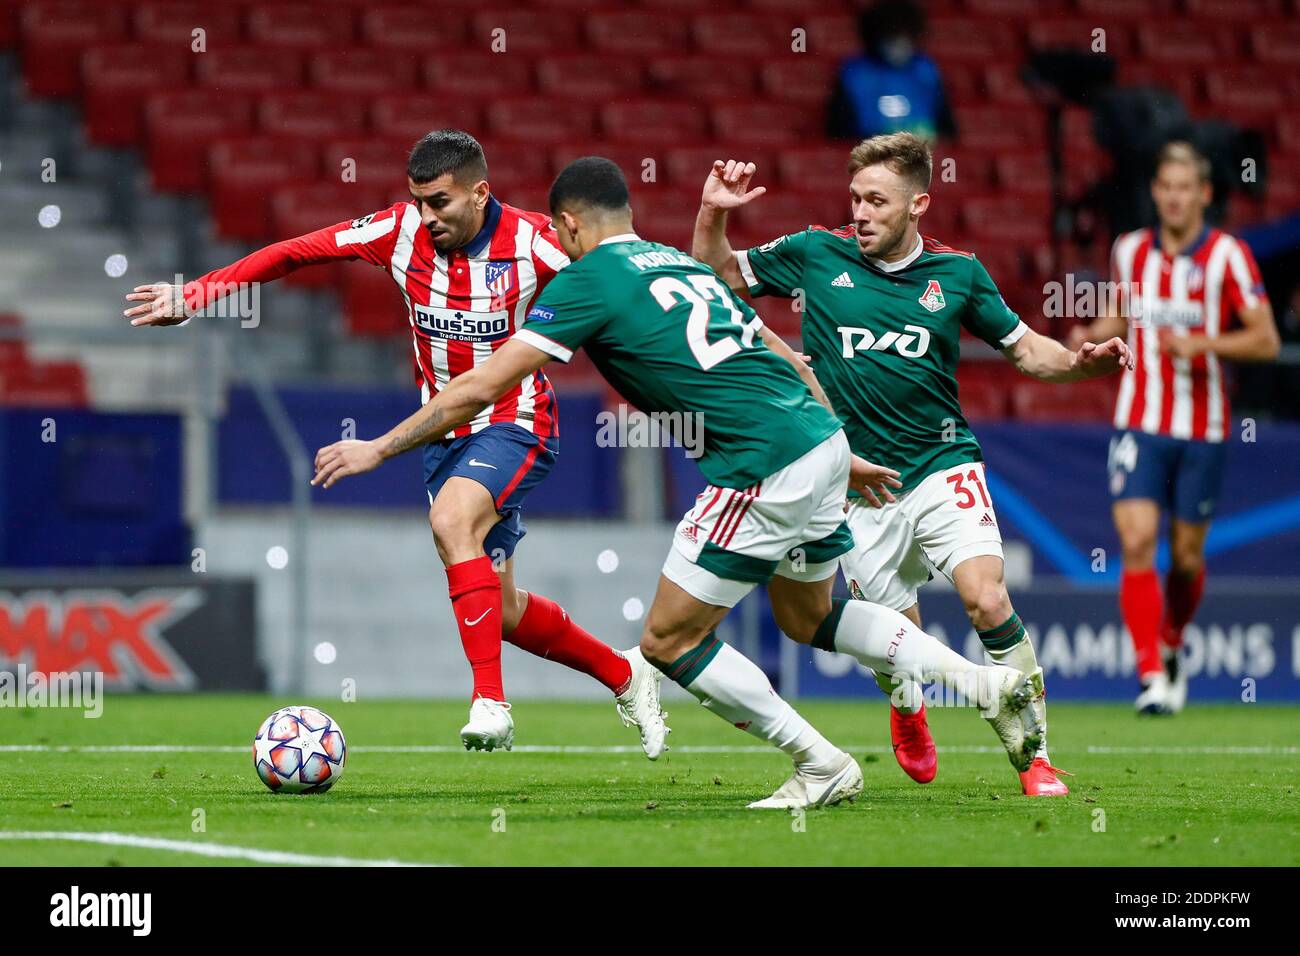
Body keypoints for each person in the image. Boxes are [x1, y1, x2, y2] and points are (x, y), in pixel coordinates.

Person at [309, 156, 1049, 808]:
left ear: (567, 227)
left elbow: (479, 389)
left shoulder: (589, 280)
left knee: (666, 642)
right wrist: (838, 452)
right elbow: (788, 357)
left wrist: (379, 448)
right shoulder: (678, 262)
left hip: (760, 464)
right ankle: (979, 682)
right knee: (808, 617)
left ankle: (819, 764)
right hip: (821, 439)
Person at [123, 130, 666, 756]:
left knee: (451, 518)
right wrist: (195, 295)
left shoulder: (534, 242)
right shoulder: (397, 231)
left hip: (515, 419)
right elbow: (295, 252)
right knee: (505, 611)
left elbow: (627, 277)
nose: (425, 216)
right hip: (443, 434)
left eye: (439, 202)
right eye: (417, 201)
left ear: (480, 192)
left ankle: (491, 703)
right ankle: (628, 676)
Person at [691, 133, 1132, 796]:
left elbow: (1026, 352)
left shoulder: (959, 275)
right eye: (855, 198)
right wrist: (713, 213)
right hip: (855, 485)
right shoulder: (817, 252)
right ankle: (906, 708)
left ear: (919, 203)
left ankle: (1034, 754)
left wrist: (1077, 364)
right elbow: (717, 275)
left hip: (939, 463)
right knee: (896, 636)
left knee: (988, 598)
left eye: (877, 200)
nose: (861, 212)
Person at [1067, 140, 1279, 715]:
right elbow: (1121, 315)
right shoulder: (1130, 250)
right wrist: (1087, 338)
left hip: (1203, 428)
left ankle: (1173, 640)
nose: (1176, 198)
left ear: (1204, 194)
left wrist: (1204, 341)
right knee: (1137, 541)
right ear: (1156, 192)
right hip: (1138, 422)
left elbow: (1267, 339)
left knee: (1185, 559)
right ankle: (1150, 675)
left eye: (1188, 188)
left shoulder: (1228, 256)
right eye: (1167, 187)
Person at [826, 0, 956, 143]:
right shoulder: (854, 74)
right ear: (876, 38)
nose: (899, 47)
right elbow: (838, 133)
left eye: (905, 39)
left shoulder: (927, 71)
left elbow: (947, 130)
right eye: (892, 39)